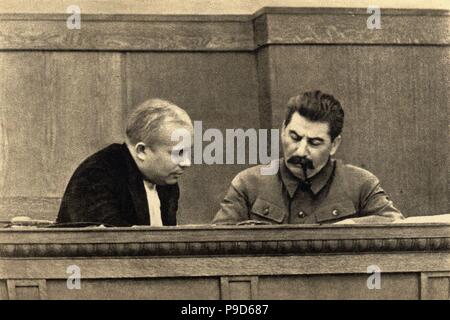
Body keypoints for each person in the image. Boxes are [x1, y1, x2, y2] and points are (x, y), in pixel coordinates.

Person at [213, 90, 404, 225]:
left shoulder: (361, 185)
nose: (301, 151)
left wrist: (352, 226)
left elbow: (395, 225)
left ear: (334, 144)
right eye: (294, 137)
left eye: (314, 142)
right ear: (282, 131)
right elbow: (217, 243)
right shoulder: (247, 184)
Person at [57, 98, 193, 226]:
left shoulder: (165, 181)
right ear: (141, 151)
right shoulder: (95, 175)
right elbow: (110, 245)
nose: (186, 162)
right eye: (178, 153)